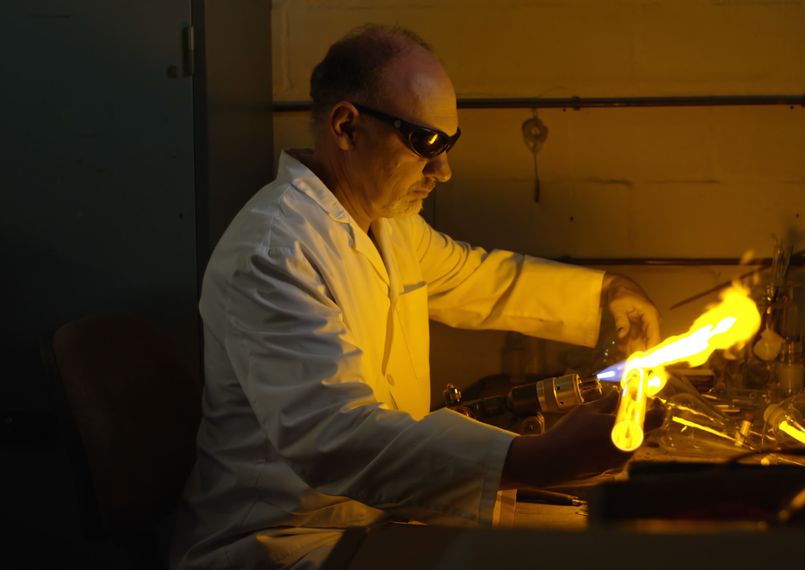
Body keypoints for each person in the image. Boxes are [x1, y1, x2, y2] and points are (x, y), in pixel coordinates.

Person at [170, 24, 661, 570]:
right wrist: (536, 459)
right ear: (347, 126)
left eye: (449, 144)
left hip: (370, 520)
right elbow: (336, 436)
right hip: (281, 542)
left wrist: (608, 296)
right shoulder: (273, 251)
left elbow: (477, 279)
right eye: (425, 143)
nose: (443, 171)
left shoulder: (389, 223)